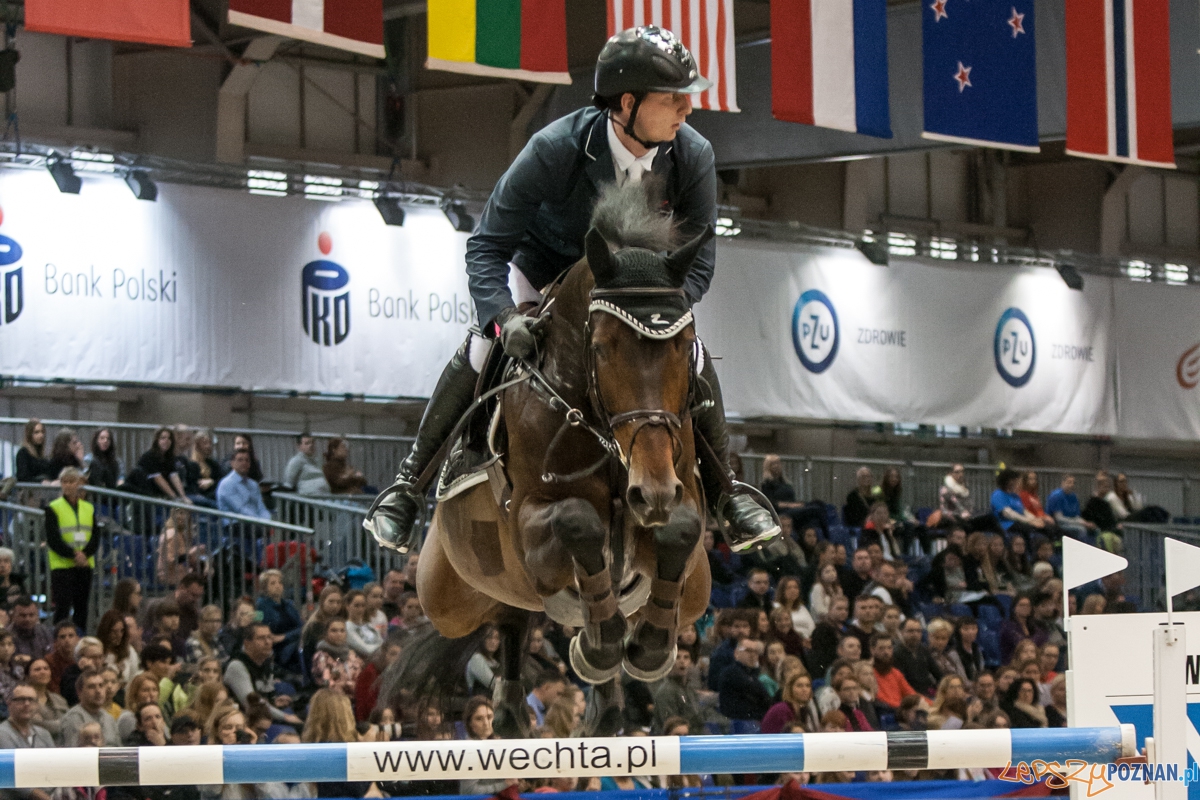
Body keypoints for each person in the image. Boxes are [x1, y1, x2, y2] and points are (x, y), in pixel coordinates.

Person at [363, 25, 779, 556]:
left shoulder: (692, 155)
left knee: (690, 353)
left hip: (642, 294)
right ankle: (407, 487)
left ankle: (728, 495)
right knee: (483, 345)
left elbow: (698, 264)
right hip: (546, 277)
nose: (687, 110)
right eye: (673, 98)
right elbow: (486, 246)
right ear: (627, 103)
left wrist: (662, 310)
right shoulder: (555, 149)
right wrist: (503, 316)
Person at [43, 468, 102, 629]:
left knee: (81, 607)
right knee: (62, 608)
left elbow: (95, 536)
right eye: (64, 482)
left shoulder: (88, 507)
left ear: (79, 483)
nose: (68, 485)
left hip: (84, 565)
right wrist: (74, 554)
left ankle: (79, 639)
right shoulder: (53, 507)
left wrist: (85, 555)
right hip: (62, 565)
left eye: (71, 481)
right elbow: (53, 539)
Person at [223, 623, 302, 725]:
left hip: (264, 718)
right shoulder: (237, 666)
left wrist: (273, 701)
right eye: (261, 638)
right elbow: (253, 704)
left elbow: (264, 694)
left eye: (269, 637)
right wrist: (285, 717)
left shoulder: (265, 663)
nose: (268, 642)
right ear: (247, 644)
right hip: (245, 723)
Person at [650, 649, 709, 734]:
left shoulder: (690, 690)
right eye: (677, 657)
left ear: (691, 663)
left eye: (686, 657)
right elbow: (671, 727)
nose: (682, 661)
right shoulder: (666, 691)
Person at [717, 638, 771, 729]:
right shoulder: (731, 672)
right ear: (736, 653)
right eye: (748, 651)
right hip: (738, 723)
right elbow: (757, 691)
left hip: (753, 721)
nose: (753, 655)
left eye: (756, 652)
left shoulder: (753, 674)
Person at [61, 669, 120, 746]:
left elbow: (119, 749)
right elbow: (73, 754)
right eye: (92, 687)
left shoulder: (109, 718)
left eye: (101, 685)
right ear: (79, 692)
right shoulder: (73, 718)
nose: (98, 691)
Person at [309, 619, 362, 697]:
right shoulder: (321, 656)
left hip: (356, 698)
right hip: (331, 699)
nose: (339, 634)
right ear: (326, 633)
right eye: (334, 631)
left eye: (342, 631)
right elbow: (326, 684)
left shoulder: (352, 654)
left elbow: (360, 678)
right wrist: (348, 686)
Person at [136, 427, 190, 503]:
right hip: (150, 496)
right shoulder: (148, 456)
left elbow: (174, 476)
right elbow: (158, 479)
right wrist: (175, 498)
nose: (166, 441)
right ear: (157, 440)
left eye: (169, 438)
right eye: (163, 438)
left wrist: (183, 497)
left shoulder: (169, 457)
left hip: (165, 496)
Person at [155, 510, 206, 588]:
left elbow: (186, 557)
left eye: (186, 514)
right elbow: (170, 562)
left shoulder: (179, 533)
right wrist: (191, 553)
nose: (183, 517)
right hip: (169, 575)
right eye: (180, 513)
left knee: (207, 567)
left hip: (179, 572)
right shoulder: (172, 534)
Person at [216, 450, 270, 520]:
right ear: (232, 463)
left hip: (255, 522)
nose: (244, 463)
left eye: (247, 460)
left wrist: (267, 520)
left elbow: (261, 508)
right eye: (240, 460)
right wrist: (259, 521)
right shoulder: (227, 484)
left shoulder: (253, 484)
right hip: (235, 523)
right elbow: (240, 509)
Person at [870, 633, 916, 710]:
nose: (886, 652)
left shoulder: (895, 672)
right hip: (886, 713)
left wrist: (930, 704)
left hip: (901, 710)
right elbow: (879, 698)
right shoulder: (868, 673)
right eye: (881, 648)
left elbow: (911, 693)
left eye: (889, 648)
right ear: (872, 650)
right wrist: (903, 708)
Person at [26, 659, 68, 743]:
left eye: (46, 668)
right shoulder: (24, 701)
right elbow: (34, 726)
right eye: (37, 669)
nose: (43, 672)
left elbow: (69, 723)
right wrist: (62, 725)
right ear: (27, 676)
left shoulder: (59, 700)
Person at [1046, 474, 1095, 539]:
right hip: (1057, 523)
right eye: (1069, 482)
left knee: (1094, 529)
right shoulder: (1056, 496)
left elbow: (1077, 516)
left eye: (1073, 483)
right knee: (1081, 529)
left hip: (1071, 522)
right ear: (1062, 483)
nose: (1071, 485)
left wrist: (1085, 522)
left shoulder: (1073, 496)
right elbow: (1059, 519)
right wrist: (1080, 523)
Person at [9, 598, 53, 668]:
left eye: (31, 615)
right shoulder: (6, 635)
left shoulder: (44, 632)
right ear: (13, 616)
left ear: (37, 616)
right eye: (23, 615)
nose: (27, 619)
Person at [185, 430, 224, 504]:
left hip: (213, 495)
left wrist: (212, 482)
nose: (208, 446)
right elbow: (193, 486)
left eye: (210, 443)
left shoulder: (213, 463)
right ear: (197, 445)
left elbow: (221, 479)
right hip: (201, 499)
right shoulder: (190, 465)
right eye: (205, 443)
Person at [465, 625, 500, 697]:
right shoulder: (476, 658)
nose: (493, 641)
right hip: (480, 704)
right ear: (482, 639)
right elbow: (493, 684)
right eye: (489, 637)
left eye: (497, 638)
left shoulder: (494, 662)